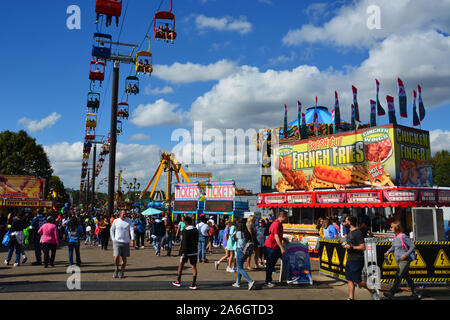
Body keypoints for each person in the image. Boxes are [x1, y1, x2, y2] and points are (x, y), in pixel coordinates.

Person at [343, 215, 379, 300]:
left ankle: (372, 290)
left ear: (350, 222)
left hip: (357, 259)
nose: (344, 222)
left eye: (346, 221)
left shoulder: (357, 232)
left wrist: (351, 247)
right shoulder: (349, 232)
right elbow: (350, 245)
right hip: (350, 258)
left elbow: (363, 247)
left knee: (357, 280)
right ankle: (351, 298)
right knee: (349, 279)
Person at [383, 221, 418, 299]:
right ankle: (415, 292)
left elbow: (412, 246)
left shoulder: (403, 236)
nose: (390, 228)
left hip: (404, 260)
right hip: (398, 260)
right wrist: (388, 251)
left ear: (396, 228)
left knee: (398, 276)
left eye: (392, 227)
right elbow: (393, 246)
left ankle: (391, 293)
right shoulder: (396, 236)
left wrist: (405, 255)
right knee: (407, 277)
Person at [172, 216, 199, 290]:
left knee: (181, 265)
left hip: (186, 251)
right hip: (194, 250)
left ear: (185, 222)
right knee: (194, 266)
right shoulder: (196, 230)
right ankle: (194, 283)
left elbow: (184, 242)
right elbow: (197, 240)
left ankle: (178, 280)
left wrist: (183, 252)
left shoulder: (185, 231)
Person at [264, 211, 288, 288]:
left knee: (286, 259)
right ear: (283, 216)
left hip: (275, 246)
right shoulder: (276, 224)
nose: (287, 218)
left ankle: (290, 276)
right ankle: (268, 281)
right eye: (286, 216)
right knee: (270, 264)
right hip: (271, 247)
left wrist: (284, 238)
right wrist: (282, 248)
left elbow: (277, 235)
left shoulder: (279, 224)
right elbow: (276, 236)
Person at [110, 210, 135, 279]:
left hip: (126, 242)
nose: (124, 215)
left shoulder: (129, 221)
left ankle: (122, 271)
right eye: (123, 214)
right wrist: (113, 239)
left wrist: (132, 239)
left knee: (124, 258)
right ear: (120, 214)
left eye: (125, 214)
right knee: (116, 256)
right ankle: (116, 269)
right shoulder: (116, 221)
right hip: (117, 241)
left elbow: (131, 230)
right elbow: (112, 229)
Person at [232, 220, 256, 290]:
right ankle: (238, 282)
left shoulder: (239, 233)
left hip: (240, 250)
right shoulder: (246, 232)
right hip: (246, 251)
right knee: (240, 266)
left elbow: (235, 239)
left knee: (239, 268)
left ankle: (250, 281)